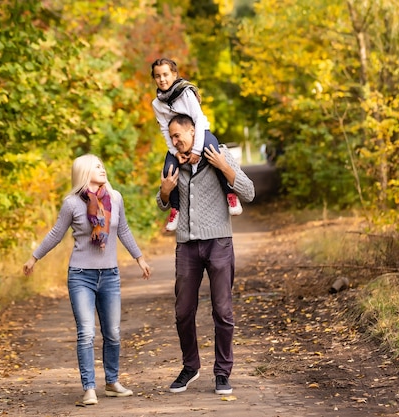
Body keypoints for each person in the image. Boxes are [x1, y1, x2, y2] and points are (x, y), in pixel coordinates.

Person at [23, 154, 151, 405]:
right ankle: (89, 388)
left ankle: (112, 382)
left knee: (113, 332)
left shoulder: (115, 198)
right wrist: (34, 258)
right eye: (96, 166)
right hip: (81, 276)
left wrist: (140, 258)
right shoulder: (71, 203)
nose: (102, 169)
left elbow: (123, 229)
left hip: (110, 275)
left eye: (103, 165)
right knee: (86, 333)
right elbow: (55, 234)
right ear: (83, 171)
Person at [156, 114, 255, 395]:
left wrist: (225, 167)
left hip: (219, 242)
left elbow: (249, 192)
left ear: (193, 130)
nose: (175, 141)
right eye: (171, 137)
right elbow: (163, 203)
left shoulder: (217, 152)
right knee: (183, 311)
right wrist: (164, 193)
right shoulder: (174, 161)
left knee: (223, 311)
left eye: (179, 135)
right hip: (186, 245)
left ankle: (222, 373)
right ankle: (191, 367)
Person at [151, 57, 242, 232]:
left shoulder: (186, 92)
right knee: (168, 170)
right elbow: (164, 129)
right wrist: (174, 152)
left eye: (165, 74)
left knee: (215, 154)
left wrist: (198, 150)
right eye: (157, 76)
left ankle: (230, 194)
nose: (162, 79)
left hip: (200, 133)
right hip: (177, 140)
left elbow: (199, 120)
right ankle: (175, 209)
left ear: (174, 74)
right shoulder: (157, 104)